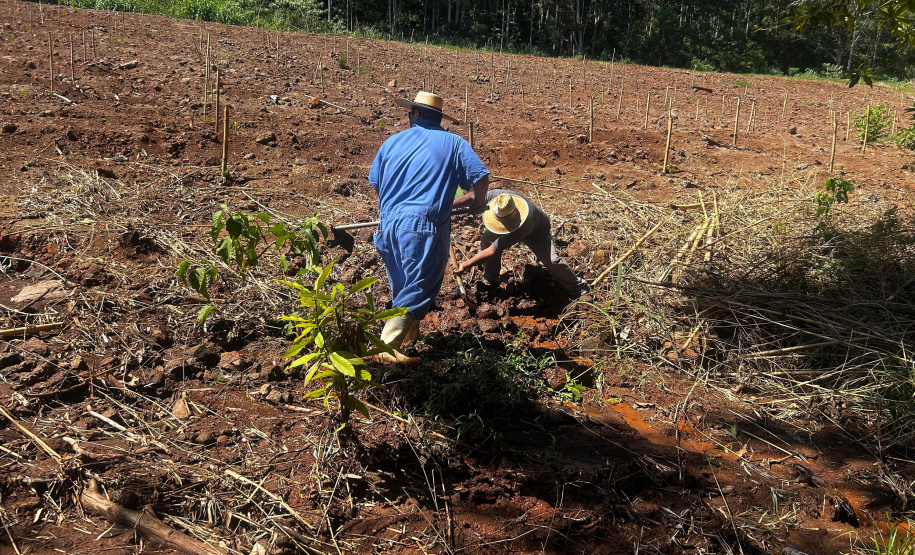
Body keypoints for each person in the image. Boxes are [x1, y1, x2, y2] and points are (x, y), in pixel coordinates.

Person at [369, 91, 490, 351]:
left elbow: (377, 183)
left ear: (415, 114)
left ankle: (410, 341)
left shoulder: (391, 143)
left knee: (403, 285)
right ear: (439, 118)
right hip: (424, 227)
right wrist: (477, 201)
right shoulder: (454, 143)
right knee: (420, 286)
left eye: (409, 113)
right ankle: (384, 350)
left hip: (388, 225)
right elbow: (480, 177)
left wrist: (390, 212)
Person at [453, 189, 589, 298]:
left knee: (553, 260)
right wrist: (448, 207)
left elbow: (492, 250)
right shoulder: (499, 198)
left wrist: (465, 265)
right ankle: (491, 278)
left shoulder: (522, 227)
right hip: (515, 225)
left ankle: (579, 287)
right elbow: (472, 197)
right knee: (486, 238)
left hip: (536, 231)